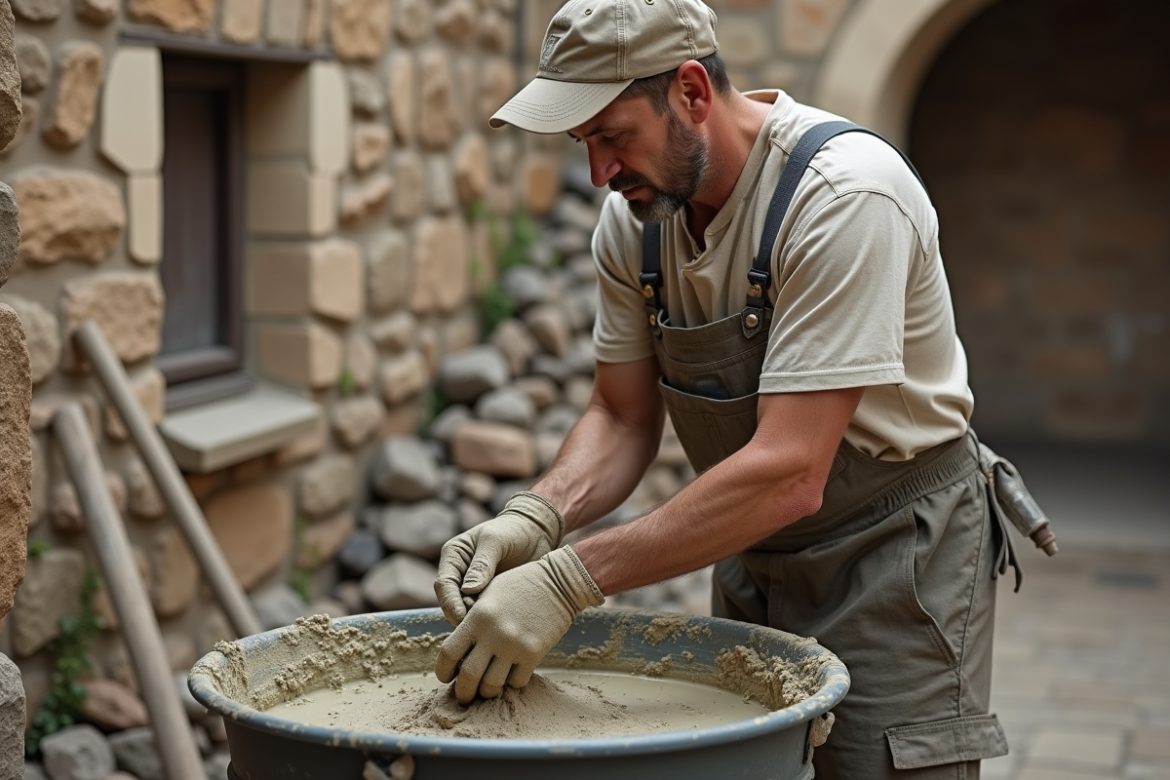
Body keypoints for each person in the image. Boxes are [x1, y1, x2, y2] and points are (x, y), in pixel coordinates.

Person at [432, 1, 1015, 777]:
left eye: (611, 135)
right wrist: (537, 517)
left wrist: (571, 580)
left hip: (894, 552)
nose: (599, 174)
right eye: (582, 144)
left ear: (693, 93)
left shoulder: (844, 199)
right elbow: (619, 414)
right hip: (750, 541)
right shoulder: (634, 223)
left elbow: (789, 471)